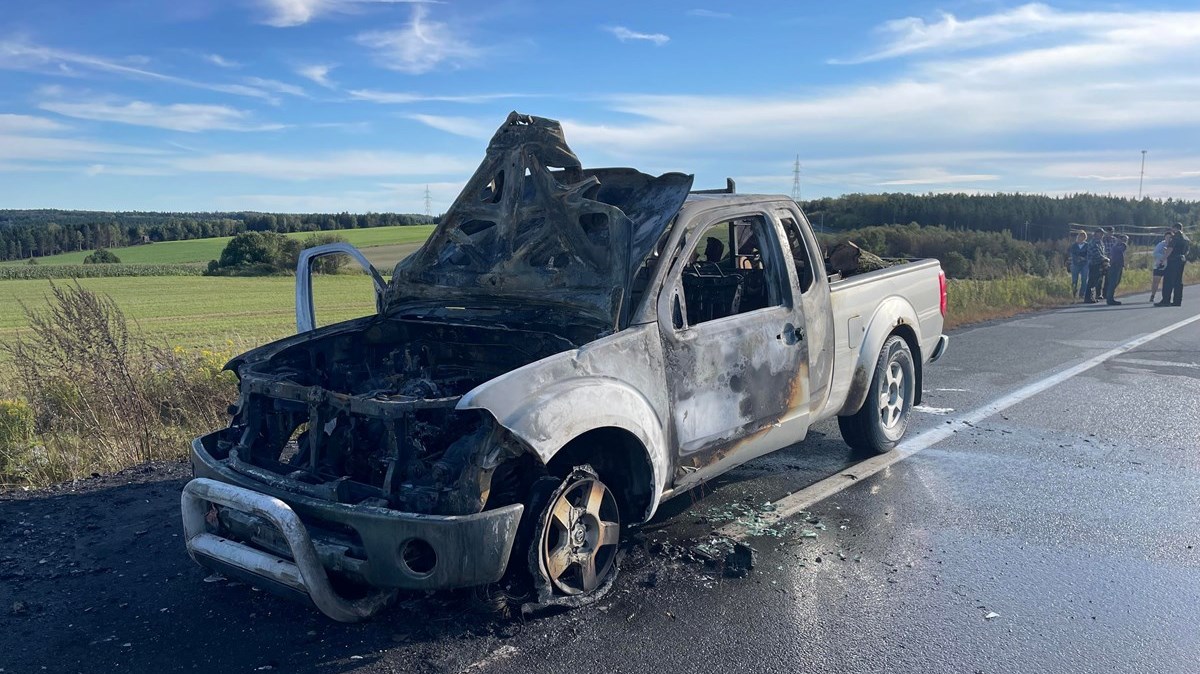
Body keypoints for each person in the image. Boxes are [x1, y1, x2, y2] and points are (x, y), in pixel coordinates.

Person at [1157, 223, 1190, 307]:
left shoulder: (1176, 237)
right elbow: (1187, 251)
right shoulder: (1186, 238)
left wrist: (1163, 259)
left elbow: (1170, 249)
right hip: (1182, 259)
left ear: (1175, 228)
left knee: (1168, 280)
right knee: (1178, 281)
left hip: (1173, 260)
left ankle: (1166, 300)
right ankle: (1177, 301)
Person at [1083, 230, 1109, 304]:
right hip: (1094, 264)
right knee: (1092, 281)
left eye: (1102, 233)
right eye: (1100, 233)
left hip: (1099, 264)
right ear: (1095, 234)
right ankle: (1087, 298)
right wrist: (1106, 259)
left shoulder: (1100, 242)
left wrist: (1105, 259)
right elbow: (1097, 254)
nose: (1102, 235)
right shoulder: (1093, 243)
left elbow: (1103, 253)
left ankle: (1092, 297)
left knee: (1096, 281)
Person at [1103, 234, 1128, 305]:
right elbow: (1121, 249)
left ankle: (1110, 297)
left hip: (1118, 265)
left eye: (1125, 240)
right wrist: (1121, 243)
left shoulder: (1117, 246)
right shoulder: (1117, 246)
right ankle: (1109, 299)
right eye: (1123, 239)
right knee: (1113, 282)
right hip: (1114, 266)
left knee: (1116, 282)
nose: (1125, 241)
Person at [1149, 230, 1172, 303]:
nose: (1168, 238)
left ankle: (1166, 297)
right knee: (1156, 281)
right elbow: (1155, 253)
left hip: (1169, 266)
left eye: (1170, 237)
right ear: (1165, 237)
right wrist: (1164, 256)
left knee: (1167, 282)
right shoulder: (1161, 244)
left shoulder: (1173, 245)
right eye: (1167, 237)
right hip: (1159, 265)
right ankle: (1152, 295)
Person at [1068, 231, 1089, 300]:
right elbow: (1072, 254)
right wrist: (1077, 259)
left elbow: (1089, 254)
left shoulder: (1087, 245)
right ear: (1078, 237)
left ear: (1085, 237)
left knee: (1084, 279)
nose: (1081, 238)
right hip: (1075, 264)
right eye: (1080, 236)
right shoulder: (1074, 245)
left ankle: (1082, 294)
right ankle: (1074, 294)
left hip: (1084, 264)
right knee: (1074, 280)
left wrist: (1084, 258)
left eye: (1083, 236)